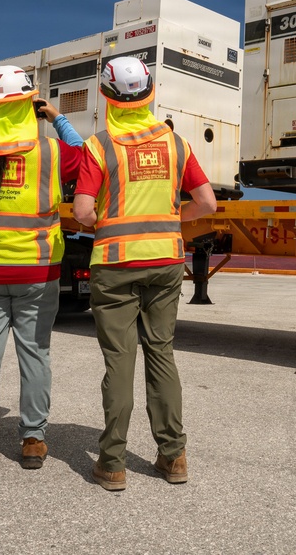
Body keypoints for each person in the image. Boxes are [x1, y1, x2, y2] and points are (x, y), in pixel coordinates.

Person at [73, 56, 217, 492]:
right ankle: (173, 457)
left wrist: (105, 222)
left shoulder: (99, 146)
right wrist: (173, 218)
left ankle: (113, 464)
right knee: (161, 353)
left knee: (120, 360)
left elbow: (83, 211)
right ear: (150, 91)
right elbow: (207, 204)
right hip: (166, 261)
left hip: (115, 264)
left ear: (106, 96)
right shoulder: (177, 144)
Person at [0, 65, 83, 474]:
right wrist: (56, 118)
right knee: (35, 355)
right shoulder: (50, 151)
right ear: (29, 102)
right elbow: (85, 157)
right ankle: (33, 441)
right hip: (37, 271)